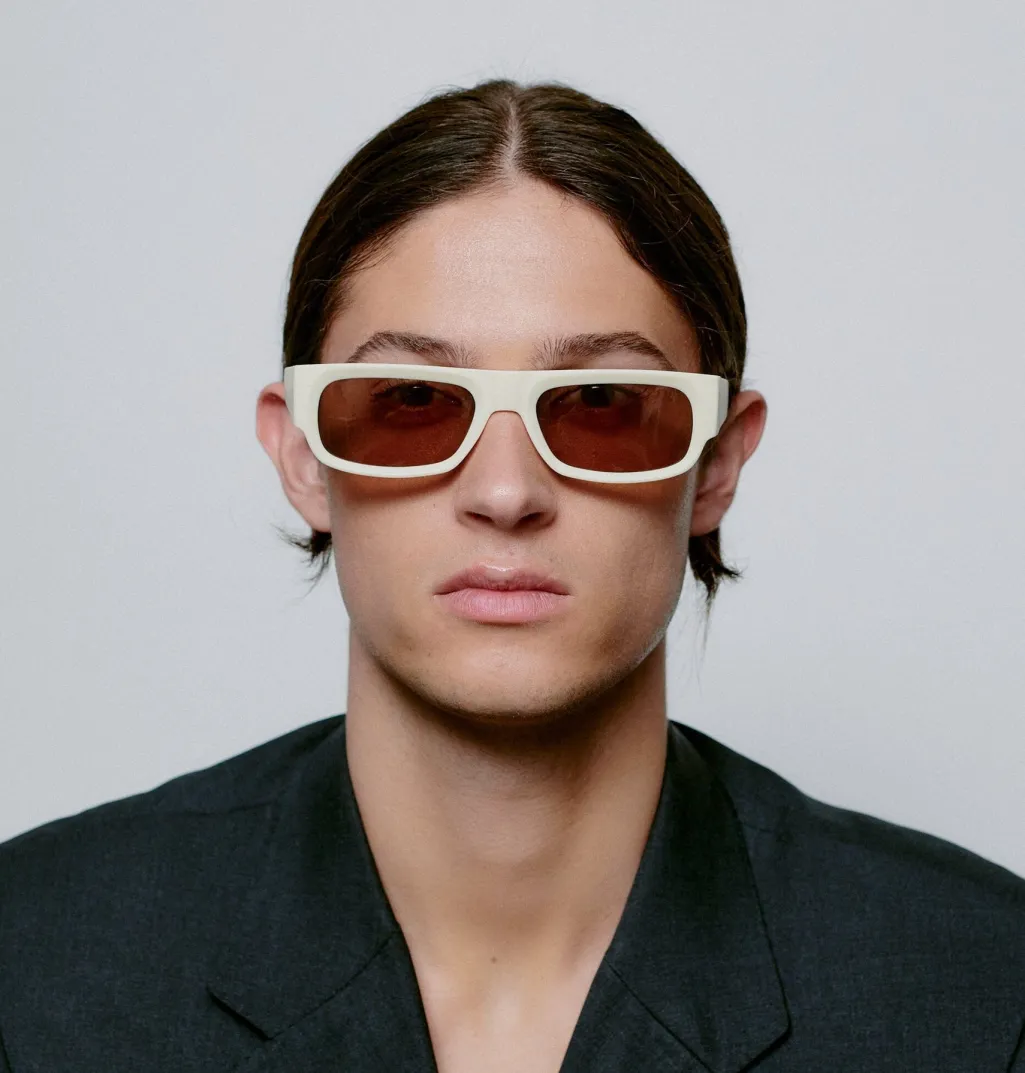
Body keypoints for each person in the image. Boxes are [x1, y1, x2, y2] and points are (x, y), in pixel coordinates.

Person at [1, 78, 1023, 1073]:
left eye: (601, 402)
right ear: (303, 455)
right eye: (409, 398)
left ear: (715, 462)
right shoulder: (33, 964)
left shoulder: (980, 990)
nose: (504, 490)